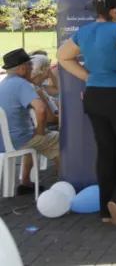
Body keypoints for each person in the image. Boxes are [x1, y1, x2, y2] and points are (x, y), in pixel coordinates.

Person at [57, 0, 116, 228]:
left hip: (94, 96)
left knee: (107, 152)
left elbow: (62, 57)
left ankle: (106, 211)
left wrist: (89, 77)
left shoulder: (84, 32)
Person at [0, 49, 59, 195]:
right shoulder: (22, 84)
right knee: (58, 139)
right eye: (30, 65)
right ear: (22, 68)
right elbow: (40, 110)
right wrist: (40, 131)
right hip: (19, 139)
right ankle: (66, 183)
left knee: (35, 140)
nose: (32, 68)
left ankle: (25, 182)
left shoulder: (3, 84)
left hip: (4, 140)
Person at [29, 55, 59, 130]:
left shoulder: (40, 87)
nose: (50, 68)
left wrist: (50, 74)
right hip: (48, 126)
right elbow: (50, 118)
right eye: (48, 66)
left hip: (51, 122)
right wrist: (67, 120)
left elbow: (59, 89)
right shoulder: (36, 90)